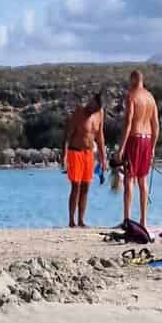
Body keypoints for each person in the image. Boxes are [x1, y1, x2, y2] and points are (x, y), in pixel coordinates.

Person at [119, 69, 159, 233]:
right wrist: (153, 146)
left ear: (133, 80)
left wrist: (121, 148)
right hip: (147, 139)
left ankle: (127, 220)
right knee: (142, 180)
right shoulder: (150, 98)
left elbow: (128, 123)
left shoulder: (132, 96)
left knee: (129, 179)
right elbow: (156, 125)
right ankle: (143, 220)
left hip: (134, 138)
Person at [64, 92, 106, 228]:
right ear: (91, 100)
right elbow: (68, 135)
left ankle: (81, 220)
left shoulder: (100, 114)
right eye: (93, 105)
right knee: (75, 186)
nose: (93, 109)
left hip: (89, 153)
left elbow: (100, 137)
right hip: (75, 152)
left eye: (97, 108)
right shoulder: (79, 112)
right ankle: (71, 220)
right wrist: (64, 155)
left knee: (86, 187)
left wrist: (103, 158)